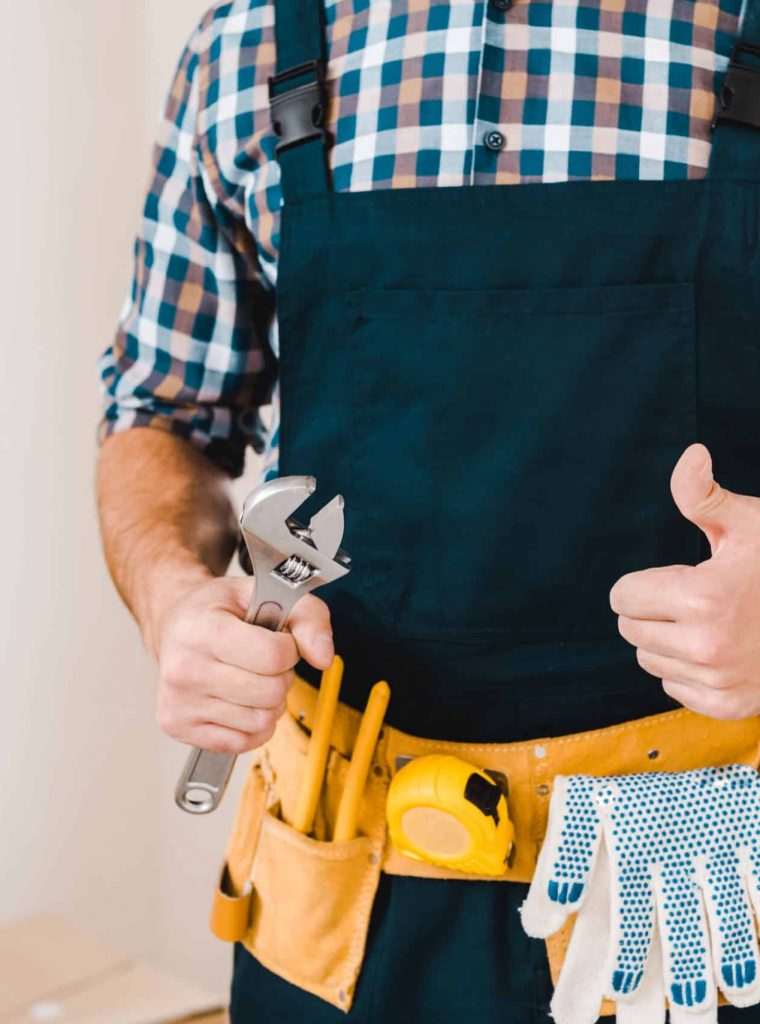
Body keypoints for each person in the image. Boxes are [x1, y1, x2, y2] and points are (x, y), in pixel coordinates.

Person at [96, 0, 760, 1020]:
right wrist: (173, 597)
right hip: (342, 892)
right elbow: (165, 415)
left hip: (696, 890)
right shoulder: (247, 47)